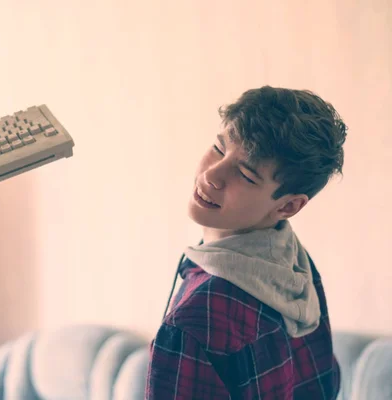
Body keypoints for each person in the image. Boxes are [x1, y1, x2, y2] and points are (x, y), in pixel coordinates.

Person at [146, 86, 346, 399]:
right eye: (218, 147)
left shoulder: (198, 318)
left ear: (287, 206)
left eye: (246, 175)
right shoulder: (294, 262)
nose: (212, 175)